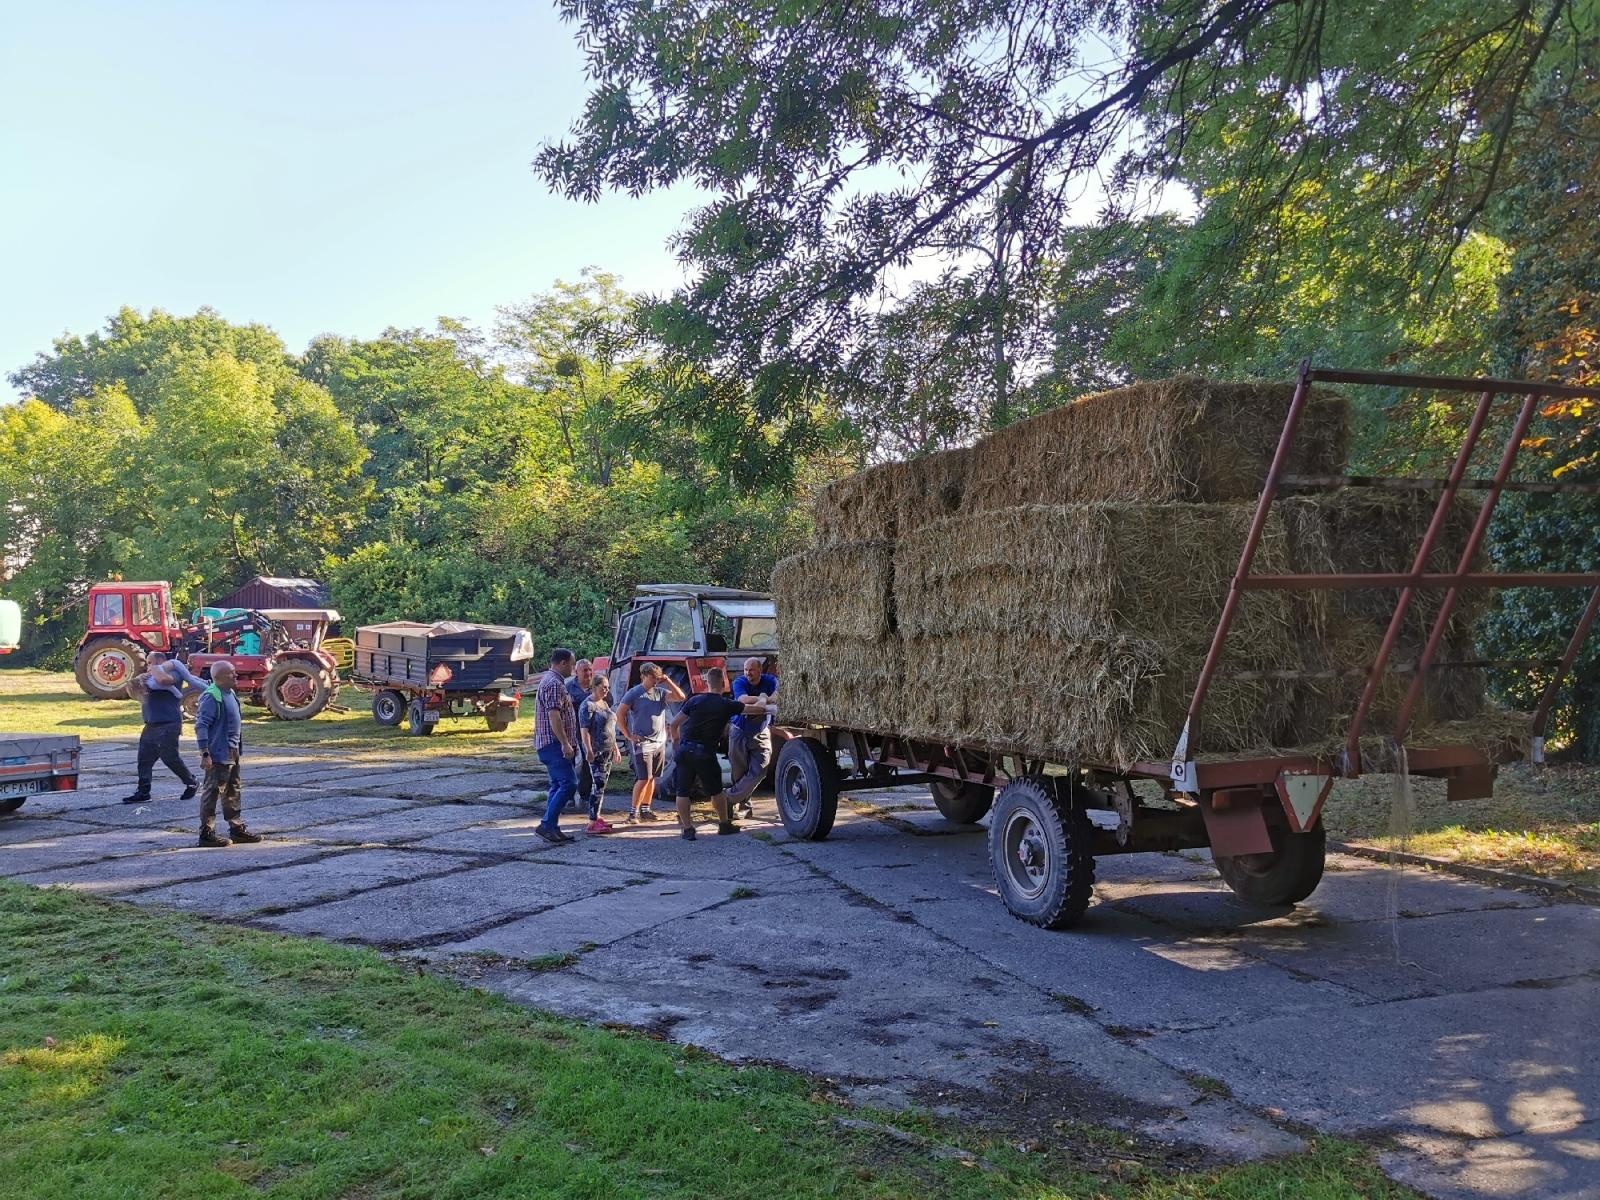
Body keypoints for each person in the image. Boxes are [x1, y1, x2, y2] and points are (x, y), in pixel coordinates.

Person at [667, 666, 767, 840]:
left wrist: (676, 742)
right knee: (716, 792)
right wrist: (763, 698)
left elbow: (674, 723)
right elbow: (757, 710)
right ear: (723, 683)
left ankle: (688, 829)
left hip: (685, 750)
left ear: (707, 683)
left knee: (682, 792)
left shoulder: (694, 701)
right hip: (704, 753)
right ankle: (724, 825)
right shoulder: (726, 704)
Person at [194, 661, 261, 848]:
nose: (236, 675)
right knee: (212, 792)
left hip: (232, 752)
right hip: (217, 753)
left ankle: (236, 828)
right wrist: (205, 752)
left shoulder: (230, 693)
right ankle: (206, 833)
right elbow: (201, 725)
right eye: (232, 673)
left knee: (233, 790)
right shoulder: (211, 696)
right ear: (220, 677)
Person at [122, 651, 203, 805]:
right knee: (144, 760)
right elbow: (134, 688)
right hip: (151, 723)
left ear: (160, 662)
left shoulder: (174, 674)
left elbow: (164, 680)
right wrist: (139, 680)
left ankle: (192, 782)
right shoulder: (150, 676)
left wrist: (155, 670)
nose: (148, 666)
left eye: (150, 662)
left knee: (170, 758)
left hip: (168, 723)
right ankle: (143, 792)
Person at [615, 663, 685, 823]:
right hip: (643, 743)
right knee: (643, 778)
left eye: (657, 678)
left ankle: (646, 810)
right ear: (644, 676)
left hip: (659, 742)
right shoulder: (634, 693)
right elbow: (619, 714)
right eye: (653, 677)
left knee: (652, 777)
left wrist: (668, 681)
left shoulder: (660, 692)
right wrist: (628, 735)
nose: (655, 681)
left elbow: (681, 697)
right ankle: (633, 813)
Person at [532, 647, 580, 844]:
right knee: (569, 784)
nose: (573, 668)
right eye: (572, 664)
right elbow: (554, 716)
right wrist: (565, 743)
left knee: (558, 784)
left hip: (551, 744)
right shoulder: (553, 684)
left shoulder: (553, 681)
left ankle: (551, 827)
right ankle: (546, 825)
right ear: (563, 663)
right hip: (554, 744)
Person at [726, 656, 779, 819]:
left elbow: (778, 696)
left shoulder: (770, 680)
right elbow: (743, 700)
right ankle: (743, 805)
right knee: (739, 772)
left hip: (761, 731)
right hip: (739, 731)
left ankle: (728, 798)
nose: (748, 673)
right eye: (746, 670)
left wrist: (762, 702)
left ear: (760, 670)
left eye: (752, 670)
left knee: (761, 769)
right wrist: (763, 699)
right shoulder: (739, 682)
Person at [577, 675, 623, 834]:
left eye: (608, 687)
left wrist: (616, 748)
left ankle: (596, 816)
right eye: (604, 687)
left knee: (601, 786)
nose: (606, 690)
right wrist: (589, 750)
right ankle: (592, 822)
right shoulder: (587, 706)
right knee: (598, 785)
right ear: (595, 687)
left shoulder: (604, 703)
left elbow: (610, 728)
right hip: (597, 751)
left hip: (608, 749)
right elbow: (584, 731)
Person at [565, 658, 595, 814]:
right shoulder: (568, 687)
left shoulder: (596, 686)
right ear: (576, 672)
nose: (588, 673)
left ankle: (585, 796)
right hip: (571, 730)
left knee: (587, 763)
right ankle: (569, 796)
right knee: (568, 762)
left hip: (589, 732)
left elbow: (608, 702)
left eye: (590, 670)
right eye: (585, 670)